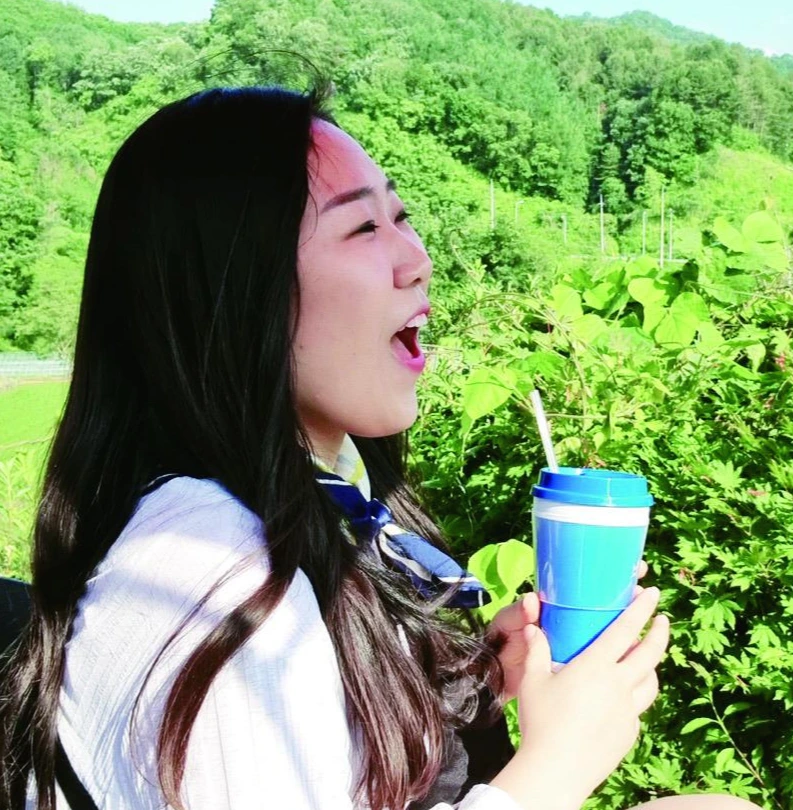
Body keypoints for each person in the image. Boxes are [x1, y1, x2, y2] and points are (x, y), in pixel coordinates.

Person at [0, 85, 761, 810]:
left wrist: (471, 682)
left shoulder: (317, 498)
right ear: (236, 285)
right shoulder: (205, 561)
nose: (416, 259)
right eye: (364, 228)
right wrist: (560, 761)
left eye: (401, 218)